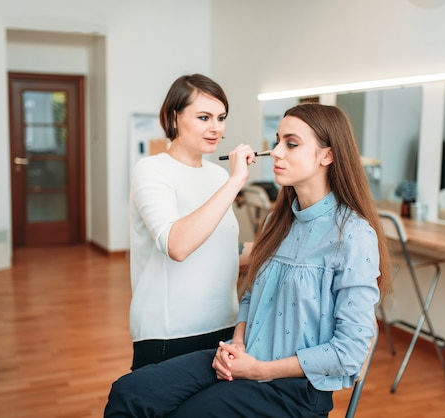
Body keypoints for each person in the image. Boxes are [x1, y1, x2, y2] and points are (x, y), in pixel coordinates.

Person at [105, 103, 392, 418]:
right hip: (244, 358)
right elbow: (253, 296)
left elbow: (349, 353)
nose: (276, 152)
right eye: (277, 141)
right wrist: (238, 344)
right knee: (128, 391)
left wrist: (260, 370)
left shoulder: (353, 235)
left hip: (292, 391)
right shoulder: (277, 222)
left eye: (291, 144)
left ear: (327, 155)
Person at [128, 73, 257, 371]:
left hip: (224, 326)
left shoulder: (218, 176)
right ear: (174, 117)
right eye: (203, 117)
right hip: (170, 331)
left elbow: (225, 248)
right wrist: (237, 180)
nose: (215, 127)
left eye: (221, 117)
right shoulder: (152, 170)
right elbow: (177, 245)